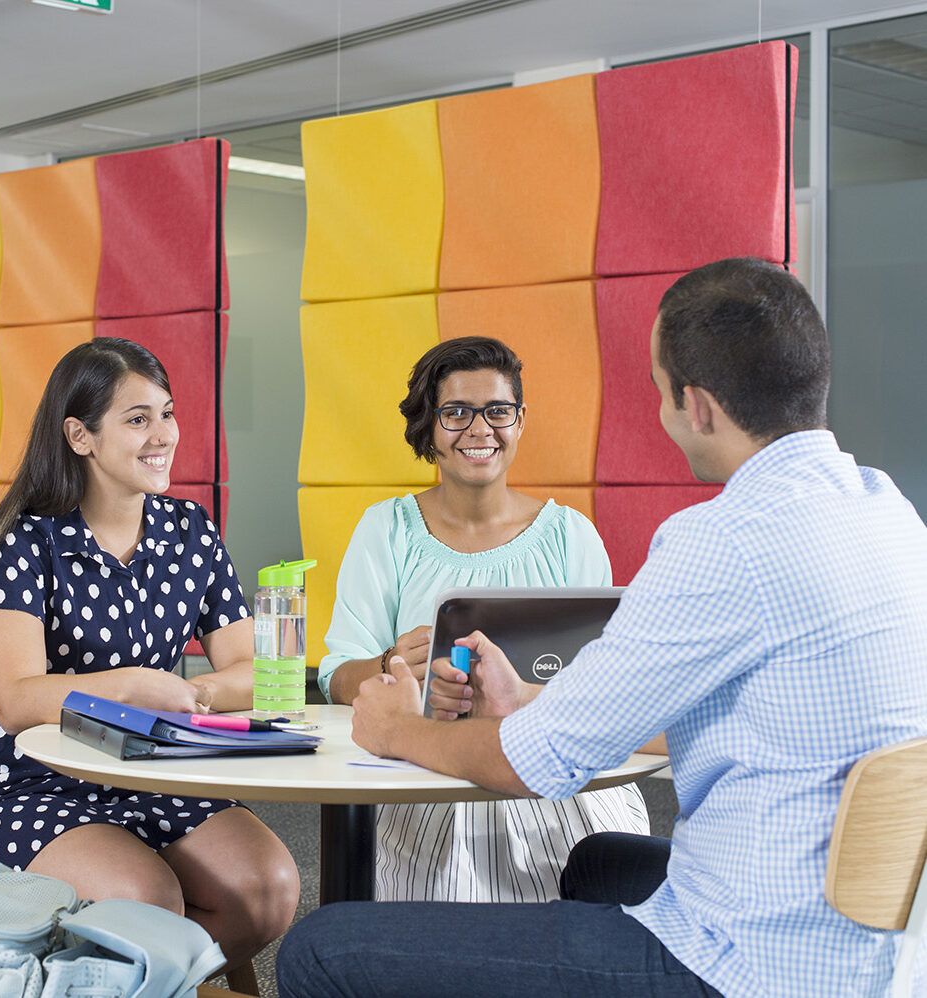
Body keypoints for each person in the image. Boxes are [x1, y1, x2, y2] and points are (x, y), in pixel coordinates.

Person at [277, 258, 927, 998]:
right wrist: (526, 700)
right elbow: (634, 717)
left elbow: (541, 764)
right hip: (872, 942)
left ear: (699, 405)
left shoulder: (722, 540)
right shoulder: (890, 513)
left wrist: (396, 731)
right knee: (595, 863)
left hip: (746, 957)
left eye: (660, 394)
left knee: (322, 947)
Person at [0, 338, 299, 974]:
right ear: (80, 435)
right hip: (38, 778)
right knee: (150, 901)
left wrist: (193, 695)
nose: (164, 435)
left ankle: (134, 984)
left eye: (167, 413)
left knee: (268, 890)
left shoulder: (191, 530)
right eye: (138, 419)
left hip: (156, 767)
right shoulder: (27, 541)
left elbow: (261, 673)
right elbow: (15, 700)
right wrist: (130, 686)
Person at [319, 336, 649, 902]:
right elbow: (336, 678)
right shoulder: (386, 528)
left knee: (606, 894)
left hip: (555, 770)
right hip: (429, 774)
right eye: (456, 413)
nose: (479, 429)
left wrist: (522, 695)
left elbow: (608, 683)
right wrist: (393, 665)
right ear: (430, 427)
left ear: (519, 422)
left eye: (498, 411)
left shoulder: (572, 535)